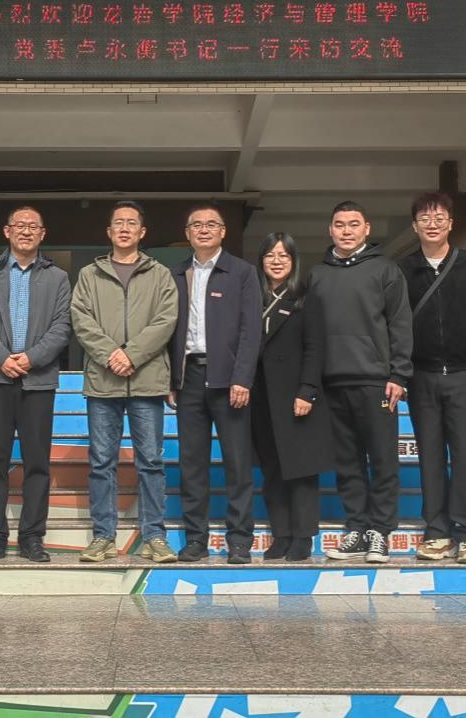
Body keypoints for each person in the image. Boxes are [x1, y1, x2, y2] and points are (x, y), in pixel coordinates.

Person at [70, 201, 179, 563]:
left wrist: (132, 354)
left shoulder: (160, 274)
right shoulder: (90, 275)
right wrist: (110, 354)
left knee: (151, 462)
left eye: (132, 223)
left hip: (147, 381)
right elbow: (81, 319)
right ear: (109, 231)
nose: (125, 228)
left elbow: (166, 320)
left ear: (142, 232)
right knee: (102, 462)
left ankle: (154, 537)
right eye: (119, 222)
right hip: (103, 382)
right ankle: (103, 537)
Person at [397, 192, 466, 566]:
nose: (433, 224)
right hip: (421, 377)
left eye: (439, 217)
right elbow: (394, 324)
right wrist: (400, 371)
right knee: (430, 457)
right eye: (425, 218)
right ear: (414, 226)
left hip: (464, 375)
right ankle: (437, 532)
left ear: (451, 224)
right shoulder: (403, 270)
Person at [308, 200, 413, 564]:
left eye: (354, 224)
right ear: (330, 230)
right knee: (347, 462)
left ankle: (380, 532)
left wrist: (399, 373)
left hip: (376, 382)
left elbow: (400, 322)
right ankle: (356, 528)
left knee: (383, 460)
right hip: (332, 383)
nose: (347, 231)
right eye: (340, 224)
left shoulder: (385, 269)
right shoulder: (317, 275)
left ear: (366, 229)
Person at [0, 205, 72, 564]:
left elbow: (62, 326)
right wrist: (2, 357)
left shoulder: (58, 277)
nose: (26, 231)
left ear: (43, 234)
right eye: (19, 225)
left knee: (37, 463)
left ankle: (32, 537)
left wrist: (31, 358)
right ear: (7, 231)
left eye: (33, 226)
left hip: (37, 380)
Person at [167, 203, 261, 564]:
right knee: (192, 464)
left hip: (229, 380)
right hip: (189, 377)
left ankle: (240, 540)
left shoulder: (242, 272)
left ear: (223, 232)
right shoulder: (177, 273)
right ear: (187, 233)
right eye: (196, 225)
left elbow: (251, 330)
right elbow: (167, 330)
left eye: (211, 224)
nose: (204, 230)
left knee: (237, 463)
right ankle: (196, 539)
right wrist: (171, 379)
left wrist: (242, 378)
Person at [251, 232, 330, 562]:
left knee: (301, 469)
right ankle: (281, 534)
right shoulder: (252, 297)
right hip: (260, 395)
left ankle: (303, 536)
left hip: (296, 395)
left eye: (284, 255)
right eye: (270, 255)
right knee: (272, 469)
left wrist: (307, 390)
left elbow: (315, 348)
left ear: (294, 261)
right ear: (261, 261)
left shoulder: (307, 298)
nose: (277, 261)